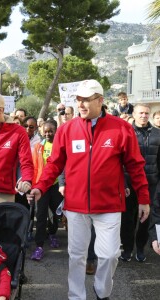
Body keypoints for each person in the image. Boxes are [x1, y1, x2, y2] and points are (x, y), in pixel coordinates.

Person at [27, 79, 150, 300]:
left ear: (100, 101)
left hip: (109, 204)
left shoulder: (121, 128)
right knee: (76, 256)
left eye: (87, 100)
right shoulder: (67, 129)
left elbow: (135, 165)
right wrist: (40, 187)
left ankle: (102, 292)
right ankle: (76, 296)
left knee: (110, 255)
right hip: (75, 205)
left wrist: (144, 198)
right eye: (79, 100)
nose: (81, 104)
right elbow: (54, 163)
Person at [120, 104, 160, 262]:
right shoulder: (125, 133)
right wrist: (122, 183)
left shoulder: (158, 134)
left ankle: (141, 248)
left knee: (145, 219)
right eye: (140, 113)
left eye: (146, 113)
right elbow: (119, 162)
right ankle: (127, 249)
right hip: (130, 183)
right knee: (128, 219)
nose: (143, 115)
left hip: (151, 183)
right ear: (134, 114)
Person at [31, 120, 63, 261]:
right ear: (42, 131)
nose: (48, 133)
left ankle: (53, 233)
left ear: (56, 130)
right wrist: (34, 185)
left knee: (58, 213)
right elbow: (34, 167)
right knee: (41, 215)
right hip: (42, 186)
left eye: (51, 130)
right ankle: (39, 246)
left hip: (56, 185)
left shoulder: (61, 146)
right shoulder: (38, 147)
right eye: (46, 131)